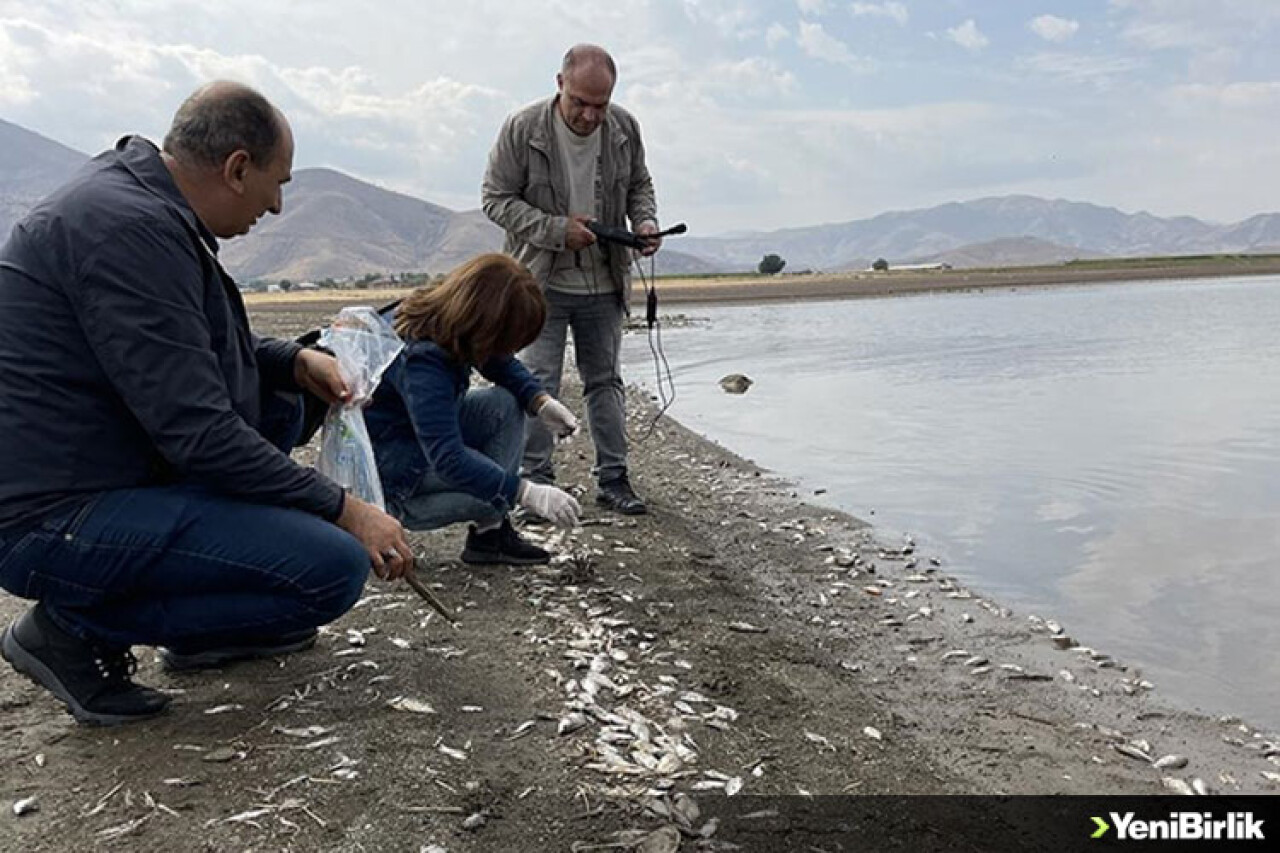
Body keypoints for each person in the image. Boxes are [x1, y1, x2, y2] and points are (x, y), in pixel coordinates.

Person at [0, 82, 412, 726]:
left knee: (279, 405)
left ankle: (200, 627)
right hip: (51, 516)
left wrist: (290, 359)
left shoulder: (134, 205)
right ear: (237, 168)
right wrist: (347, 509)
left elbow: (173, 337)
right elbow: (200, 436)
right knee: (329, 566)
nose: (277, 207)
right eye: (278, 184)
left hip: (95, 470)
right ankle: (73, 628)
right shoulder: (128, 228)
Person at [482, 43, 661, 517]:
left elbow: (641, 184)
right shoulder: (522, 128)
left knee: (605, 382)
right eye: (580, 102)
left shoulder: (624, 127)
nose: (589, 115)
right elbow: (495, 200)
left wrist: (644, 224)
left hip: (605, 280)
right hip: (536, 284)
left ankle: (615, 480)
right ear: (559, 84)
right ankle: (536, 481)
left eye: (599, 105)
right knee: (538, 381)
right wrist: (557, 230)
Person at [366, 253, 583, 564]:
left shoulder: (444, 315)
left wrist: (540, 401)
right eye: (507, 340)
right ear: (486, 324)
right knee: (492, 489)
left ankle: (490, 531)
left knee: (506, 405)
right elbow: (448, 458)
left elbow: (498, 360)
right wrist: (524, 492)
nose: (509, 350)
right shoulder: (423, 361)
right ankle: (490, 525)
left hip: (412, 436)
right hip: (396, 474)